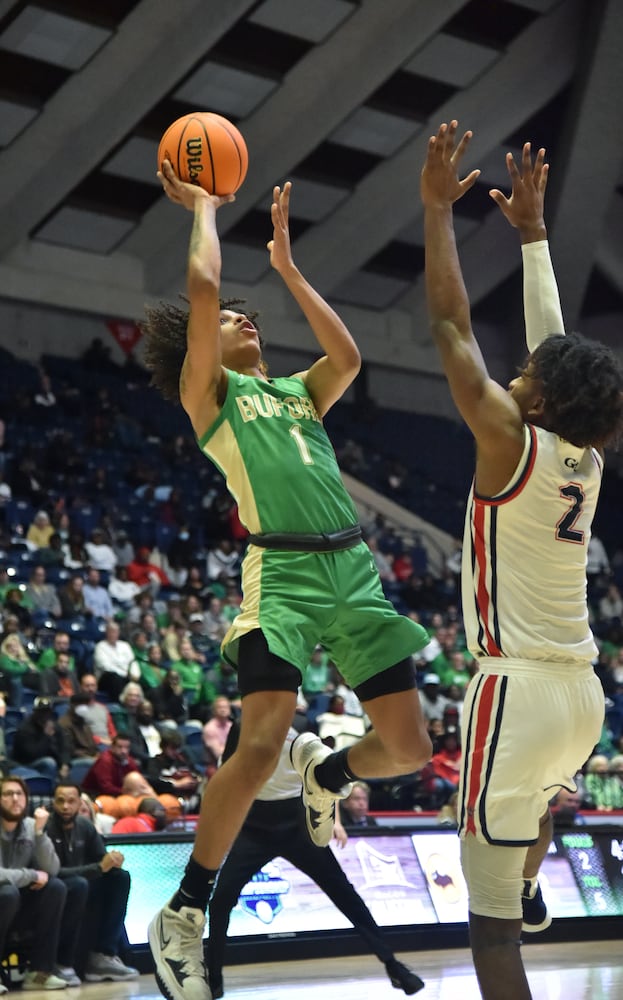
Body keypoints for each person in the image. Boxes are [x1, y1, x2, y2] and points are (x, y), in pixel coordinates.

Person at [142, 162, 431, 1000]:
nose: (243, 318)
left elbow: (347, 352)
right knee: (260, 739)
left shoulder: (299, 394)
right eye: (233, 319)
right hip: (285, 571)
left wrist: (292, 272)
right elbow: (201, 288)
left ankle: (329, 777)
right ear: (202, 349)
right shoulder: (212, 396)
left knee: (408, 749)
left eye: (247, 314)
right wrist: (203, 206)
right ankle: (186, 910)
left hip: (353, 569)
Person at [420, 121, 623, 1000]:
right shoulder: (583, 453)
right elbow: (553, 350)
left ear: (539, 398)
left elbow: (446, 321)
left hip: (519, 687)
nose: (516, 369)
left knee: (490, 935)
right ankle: (531, 871)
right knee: (535, 810)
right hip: (581, 696)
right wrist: (534, 240)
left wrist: (436, 215)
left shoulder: (506, 440)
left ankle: (516, 889)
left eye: (528, 372)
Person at [205, 725, 423, 999]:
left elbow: (325, 778)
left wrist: (335, 821)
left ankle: (392, 964)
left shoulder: (304, 728)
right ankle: (213, 978)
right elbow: (228, 776)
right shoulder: (243, 726)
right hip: (254, 826)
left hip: (298, 824)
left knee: (344, 893)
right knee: (221, 900)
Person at [45, 782, 139, 984]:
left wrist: (113, 861)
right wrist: (98, 868)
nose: (65, 806)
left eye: (71, 801)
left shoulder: (85, 826)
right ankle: (61, 962)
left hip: (83, 884)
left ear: (80, 803)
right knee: (79, 884)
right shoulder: (46, 828)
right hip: (55, 888)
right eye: (60, 801)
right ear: (53, 803)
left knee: (120, 877)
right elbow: (51, 872)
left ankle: (103, 955)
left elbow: (101, 860)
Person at [0, 775, 68, 991]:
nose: (15, 799)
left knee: (56, 887)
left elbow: (52, 870)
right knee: (8, 893)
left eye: (19, 794)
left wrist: (39, 833)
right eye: (8, 794)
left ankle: (39, 972)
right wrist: (30, 875)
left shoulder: (31, 826)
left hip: (19, 906)